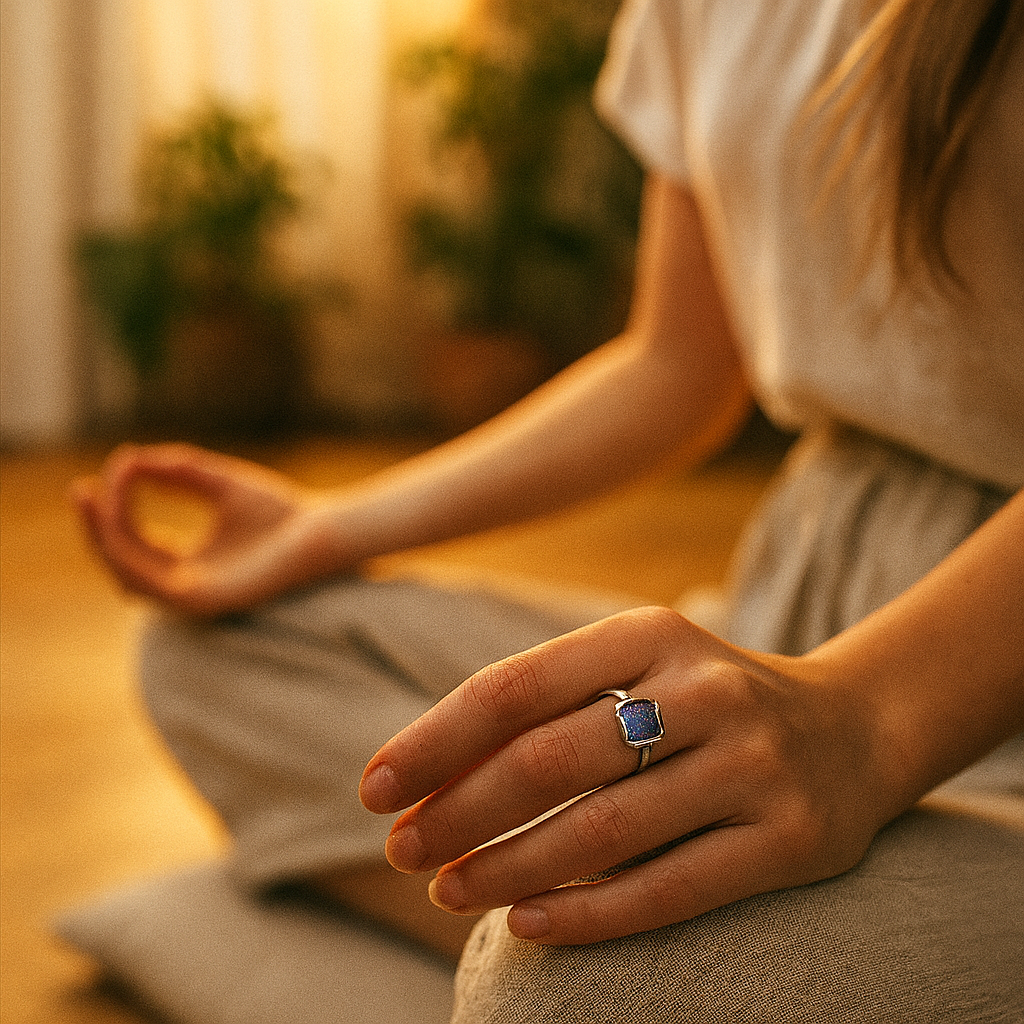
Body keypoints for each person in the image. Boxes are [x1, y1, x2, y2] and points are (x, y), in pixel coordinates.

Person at [73, 0, 1023, 1018]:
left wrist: (863, 719)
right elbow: (676, 363)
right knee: (218, 646)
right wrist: (328, 527)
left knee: (566, 988)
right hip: (799, 598)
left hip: (980, 661)